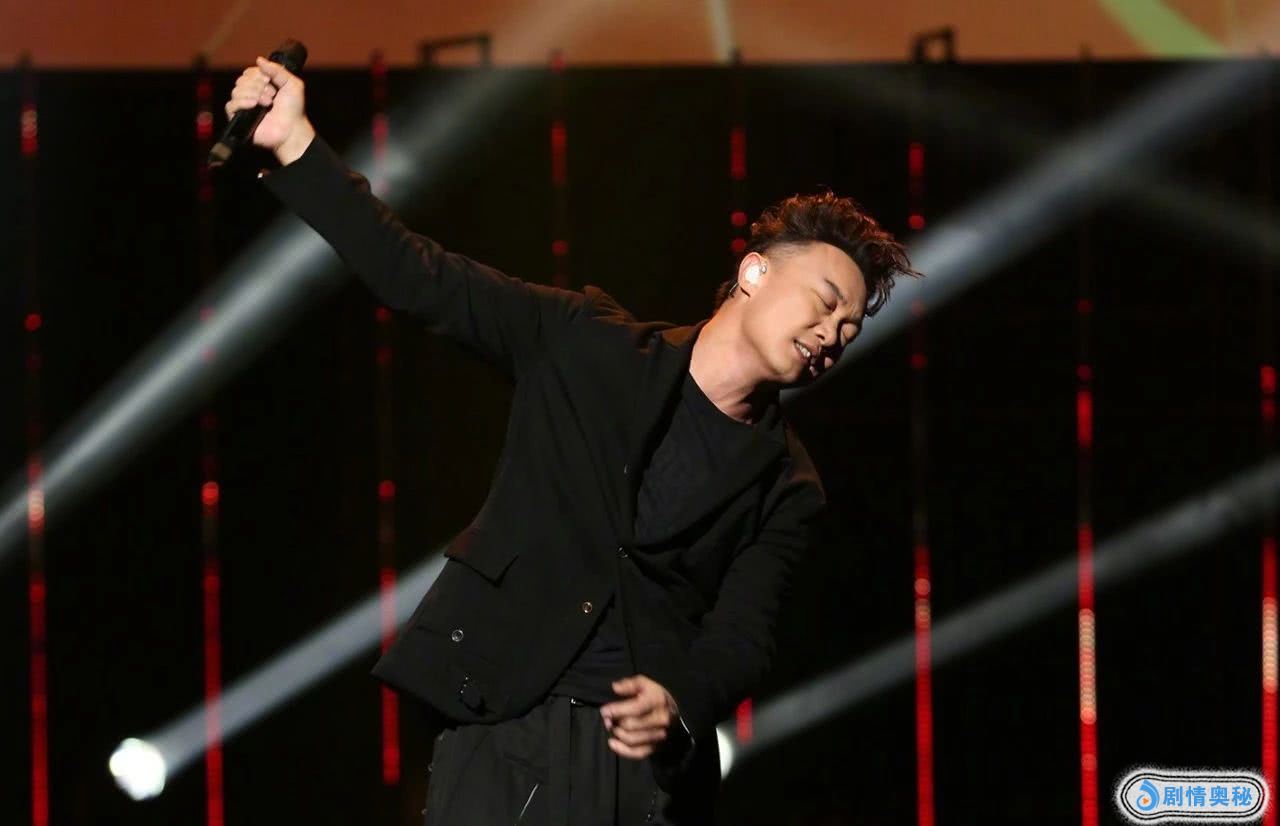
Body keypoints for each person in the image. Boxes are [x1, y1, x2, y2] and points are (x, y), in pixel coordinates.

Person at [226, 55, 920, 825]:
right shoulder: (588, 344)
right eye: (825, 302)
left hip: (634, 764)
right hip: (503, 718)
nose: (833, 333)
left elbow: (743, 633)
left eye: (850, 328)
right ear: (754, 273)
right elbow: (419, 277)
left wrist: (678, 702)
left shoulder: (787, 482)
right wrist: (296, 145)